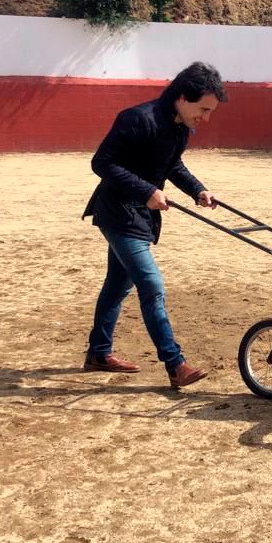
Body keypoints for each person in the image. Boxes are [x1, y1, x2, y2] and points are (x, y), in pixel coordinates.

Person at [81, 62, 227, 388]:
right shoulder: (137, 119)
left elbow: (172, 164)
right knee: (151, 284)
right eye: (203, 109)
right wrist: (146, 190)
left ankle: (98, 353)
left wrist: (197, 190)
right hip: (118, 212)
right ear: (182, 97)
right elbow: (101, 162)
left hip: (140, 215)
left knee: (118, 285)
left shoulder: (178, 128)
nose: (206, 117)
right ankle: (176, 365)